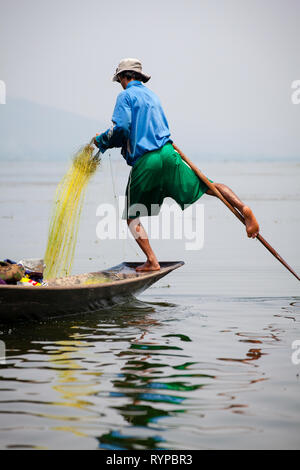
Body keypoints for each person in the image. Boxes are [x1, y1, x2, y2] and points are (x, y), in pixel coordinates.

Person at [93, 58, 259, 272]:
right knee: (209, 186)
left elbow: (122, 129)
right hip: (169, 153)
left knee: (132, 216)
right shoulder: (153, 96)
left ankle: (152, 261)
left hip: (147, 160)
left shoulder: (125, 96)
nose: (121, 84)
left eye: (120, 80)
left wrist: (102, 140)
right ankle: (244, 209)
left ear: (126, 77)